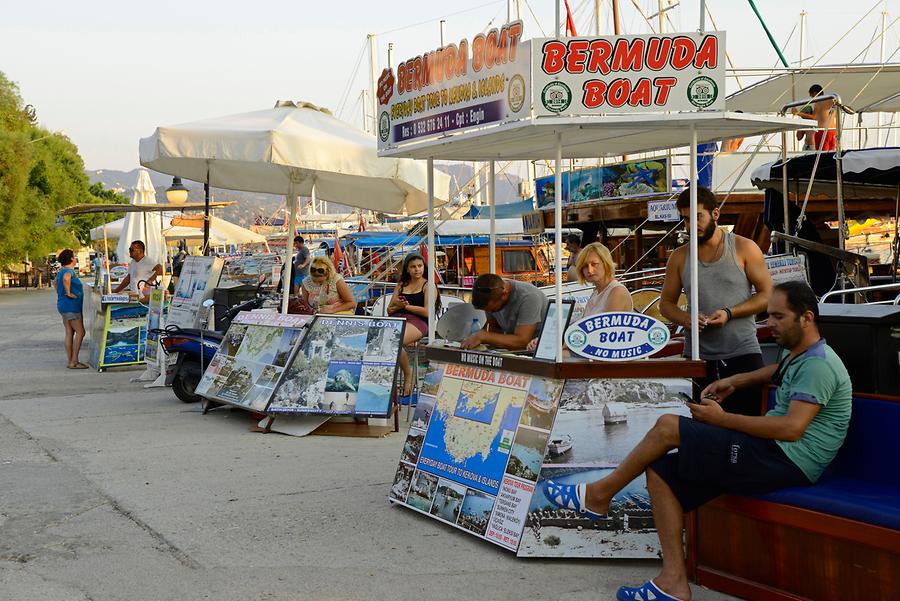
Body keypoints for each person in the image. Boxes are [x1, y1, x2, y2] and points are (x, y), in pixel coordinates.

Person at [544, 281, 851, 601]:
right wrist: (735, 380)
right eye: (768, 315)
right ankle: (674, 582)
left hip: (788, 460)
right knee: (661, 471)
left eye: (778, 317)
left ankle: (599, 494)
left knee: (667, 426)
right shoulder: (798, 352)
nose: (769, 324)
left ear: (806, 318)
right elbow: (777, 371)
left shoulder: (819, 365)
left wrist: (722, 420)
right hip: (771, 452)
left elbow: (791, 429)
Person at [660, 186, 774, 416]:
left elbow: (767, 296)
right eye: (686, 220)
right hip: (698, 356)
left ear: (715, 214)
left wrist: (730, 313)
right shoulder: (680, 256)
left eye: (697, 217)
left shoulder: (744, 248)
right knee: (705, 427)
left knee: (750, 422)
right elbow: (666, 304)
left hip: (743, 352)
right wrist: (687, 318)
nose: (691, 226)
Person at [526, 242, 633, 352]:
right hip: (590, 351)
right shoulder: (596, 292)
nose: (590, 270)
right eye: (585, 266)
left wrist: (558, 348)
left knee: (550, 356)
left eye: (594, 264)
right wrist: (547, 342)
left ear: (605, 263)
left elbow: (606, 336)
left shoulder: (616, 291)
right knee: (544, 353)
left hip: (602, 357)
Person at [387, 253, 438, 397]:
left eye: (420, 266)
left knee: (394, 342)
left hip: (418, 321)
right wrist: (399, 306)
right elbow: (389, 309)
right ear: (407, 269)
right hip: (397, 317)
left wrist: (406, 307)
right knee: (381, 342)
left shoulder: (428, 285)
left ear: (424, 267)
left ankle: (408, 376)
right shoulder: (401, 285)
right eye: (413, 267)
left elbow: (428, 312)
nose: (417, 269)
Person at [461, 274, 548, 351]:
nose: (490, 312)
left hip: (538, 350)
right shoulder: (490, 297)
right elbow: (494, 329)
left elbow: (522, 341)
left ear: (504, 295)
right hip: (515, 350)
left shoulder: (528, 297)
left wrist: (483, 336)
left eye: (493, 310)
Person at [55, 249, 88, 369]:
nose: (75, 258)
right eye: (74, 256)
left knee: (69, 332)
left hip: (63, 305)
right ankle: (74, 361)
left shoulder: (61, 271)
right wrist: (68, 293)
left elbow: (55, 283)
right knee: (81, 332)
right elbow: (66, 279)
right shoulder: (69, 271)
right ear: (71, 259)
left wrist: (62, 294)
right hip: (71, 306)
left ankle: (71, 361)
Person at [791, 84, 836, 151]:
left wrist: (798, 113)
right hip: (833, 131)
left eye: (811, 96)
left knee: (822, 155)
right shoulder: (832, 100)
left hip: (823, 132)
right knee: (832, 154)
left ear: (815, 93)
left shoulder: (818, 102)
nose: (812, 99)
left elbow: (814, 117)